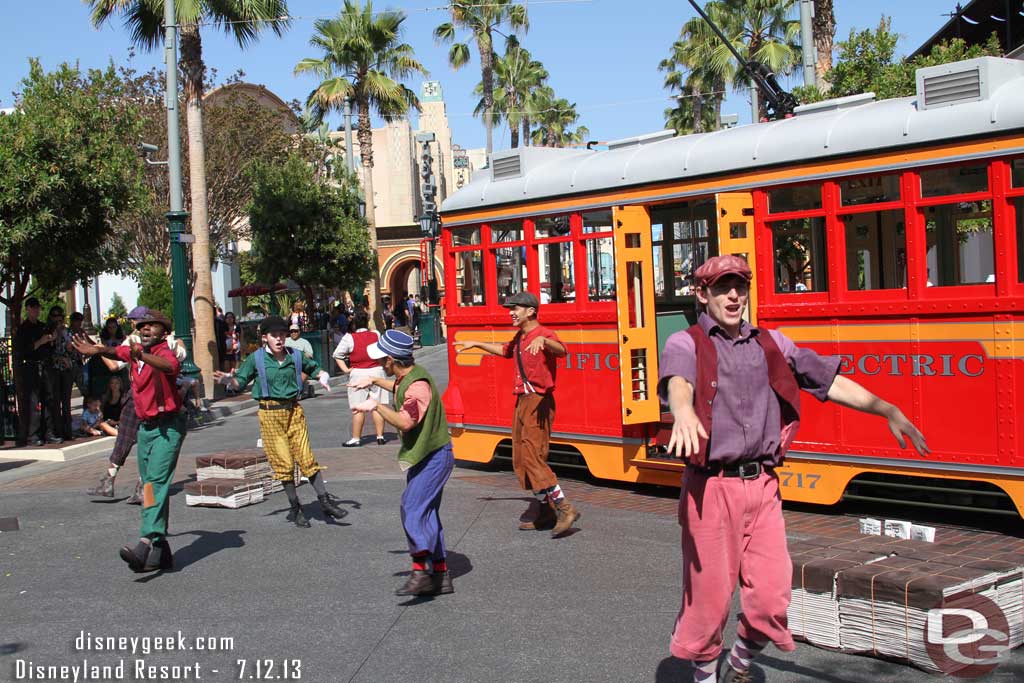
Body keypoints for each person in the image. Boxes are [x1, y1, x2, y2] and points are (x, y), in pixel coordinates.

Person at [657, 255, 930, 683]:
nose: (733, 295)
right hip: (711, 489)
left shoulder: (772, 344)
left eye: (740, 286)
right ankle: (705, 675)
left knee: (771, 599)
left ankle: (741, 662)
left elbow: (829, 381)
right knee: (708, 603)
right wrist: (683, 411)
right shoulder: (686, 343)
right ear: (702, 294)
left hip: (762, 485)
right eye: (722, 287)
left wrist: (886, 408)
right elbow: (678, 380)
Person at [454, 291, 579, 537]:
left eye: (516, 308)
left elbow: (562, 350)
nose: (511, 312)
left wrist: (545, 343)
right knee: (521, 458)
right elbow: (505, 350)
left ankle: (565, 508)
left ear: (531, 311)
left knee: (533, 456)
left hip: (538, 401)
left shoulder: (542, 334)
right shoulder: (520, 335)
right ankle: (545, 512)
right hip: (523, 400)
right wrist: (476, 344)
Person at [73, 309, 188, 573]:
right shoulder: (134, 352)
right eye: (142, 326)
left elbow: (170, 366)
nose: (146, 329)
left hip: (167, 428)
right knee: (149, 487)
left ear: (164, 332)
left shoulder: (163, 353)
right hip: (146, 429)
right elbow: (117, 354)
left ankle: (145, 541)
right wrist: (97, 350)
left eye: (152, 326)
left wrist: (142, 355)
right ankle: (161, 550)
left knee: (157, 482)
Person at [349, 330, 455, 596]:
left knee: (412, 508)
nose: (381, 363)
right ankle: (441, 576)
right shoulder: (409, 376)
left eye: (382, 360)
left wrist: (376, 406)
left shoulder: (418, 386)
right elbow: (399, 387)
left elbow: (406, 420)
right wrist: (372, 380)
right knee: (427, 513)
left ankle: (421, 569)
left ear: (392, 359)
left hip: (433, 458)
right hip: (427, 455)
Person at [214, 315, 347, 528]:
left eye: (282, 335)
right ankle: (296, 508)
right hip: (270, 414)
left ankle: (325, 501)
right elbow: (240, 381)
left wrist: (322, 375)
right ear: (265, 337)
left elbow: (314, 368)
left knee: (306, 457)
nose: (279, 339)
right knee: (283, 462)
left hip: (294, 410)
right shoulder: (256, 359)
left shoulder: (295, 355)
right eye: (274, 335)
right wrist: (230, 381)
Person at [86, 306, 186, 502]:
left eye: (146, 323)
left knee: (151, 451)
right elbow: (117, 357)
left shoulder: (156, 344)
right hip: (140, 398)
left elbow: (173, 362)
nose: (141, 327)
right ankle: (141, 498)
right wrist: (99, 350)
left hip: (159, 403)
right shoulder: (135, 342)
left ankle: (141, 491)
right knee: (135, 441)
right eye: (139, 323)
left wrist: (100, 350)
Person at [333, 311, 387, 447]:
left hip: (358, 373)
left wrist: (346, 370)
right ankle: (380, 436)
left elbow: (337, 355)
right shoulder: (375, 334)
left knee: (358, 408)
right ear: (367, 322)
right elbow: (381, 351)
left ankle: (356, 438)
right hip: (376, 371)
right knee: (378, 405)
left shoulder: (349, 338)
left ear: (354, 324)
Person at [14, 297, 61, 446]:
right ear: (27, 309)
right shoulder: (23, 329)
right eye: (32, 308)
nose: (36, 311)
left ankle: (49, 432)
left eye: (37, 308)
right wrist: (40, 341)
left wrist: (51, 340)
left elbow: (49, 348)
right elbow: (23, 351)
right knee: (34, 402)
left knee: (49, 399)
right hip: (31, 367)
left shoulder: (42, 326)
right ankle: (32, 435)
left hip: (45, 366)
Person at [44, 306, 76, 441]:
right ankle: (57, 431)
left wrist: (66, 338)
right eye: (55, 316)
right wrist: (54, 336)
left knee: (66, 401)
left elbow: (70, 349)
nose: (58, 320)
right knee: (55, 401)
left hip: (66, 369)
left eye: (60, 317)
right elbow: (48, 352)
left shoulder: (66, 331)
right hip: (54, 369)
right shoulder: (48, 331)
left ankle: (68, 431)